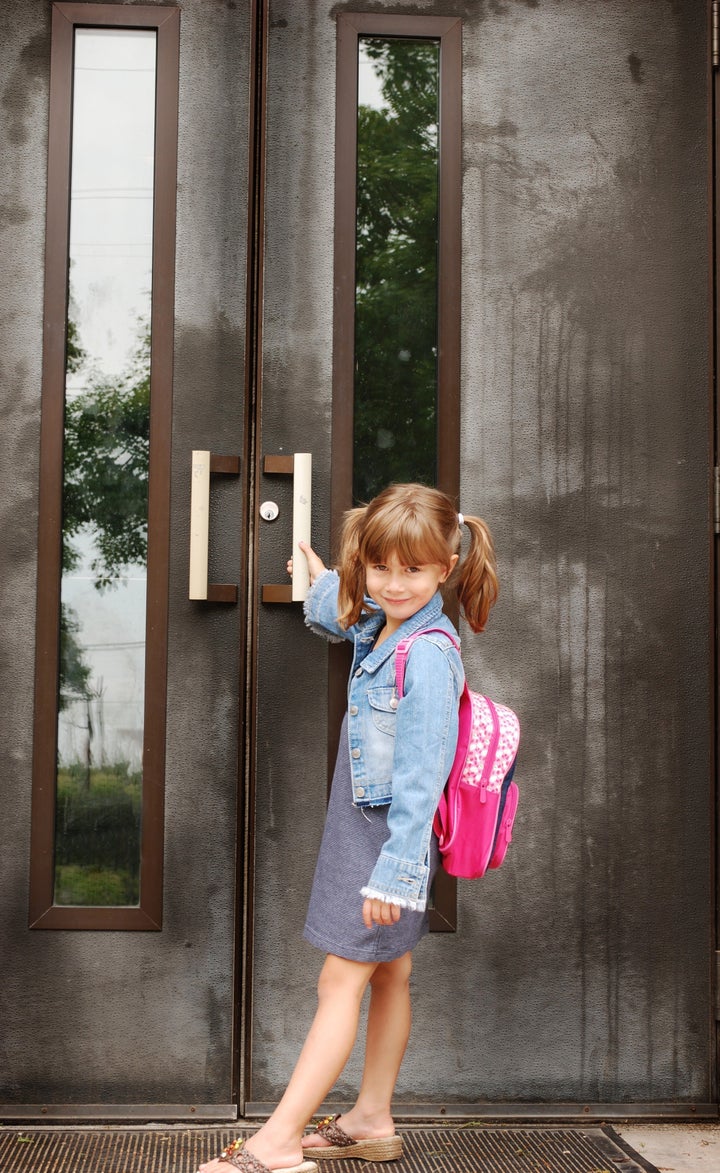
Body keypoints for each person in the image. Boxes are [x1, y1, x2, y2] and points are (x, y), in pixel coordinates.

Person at [199, 483, 498, 1173]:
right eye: (380, 566)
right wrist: (322, 580)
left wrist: (397, 867)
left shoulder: (426, 651)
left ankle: (275, 1141)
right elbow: (343, 617)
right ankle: (371, 1118)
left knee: (341, 981)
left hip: (385, 837)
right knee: (391, 972)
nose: (394, 584)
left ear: (445, 567)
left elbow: (425, 772)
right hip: (365, 824)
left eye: (413, 570)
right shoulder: (387, 621)